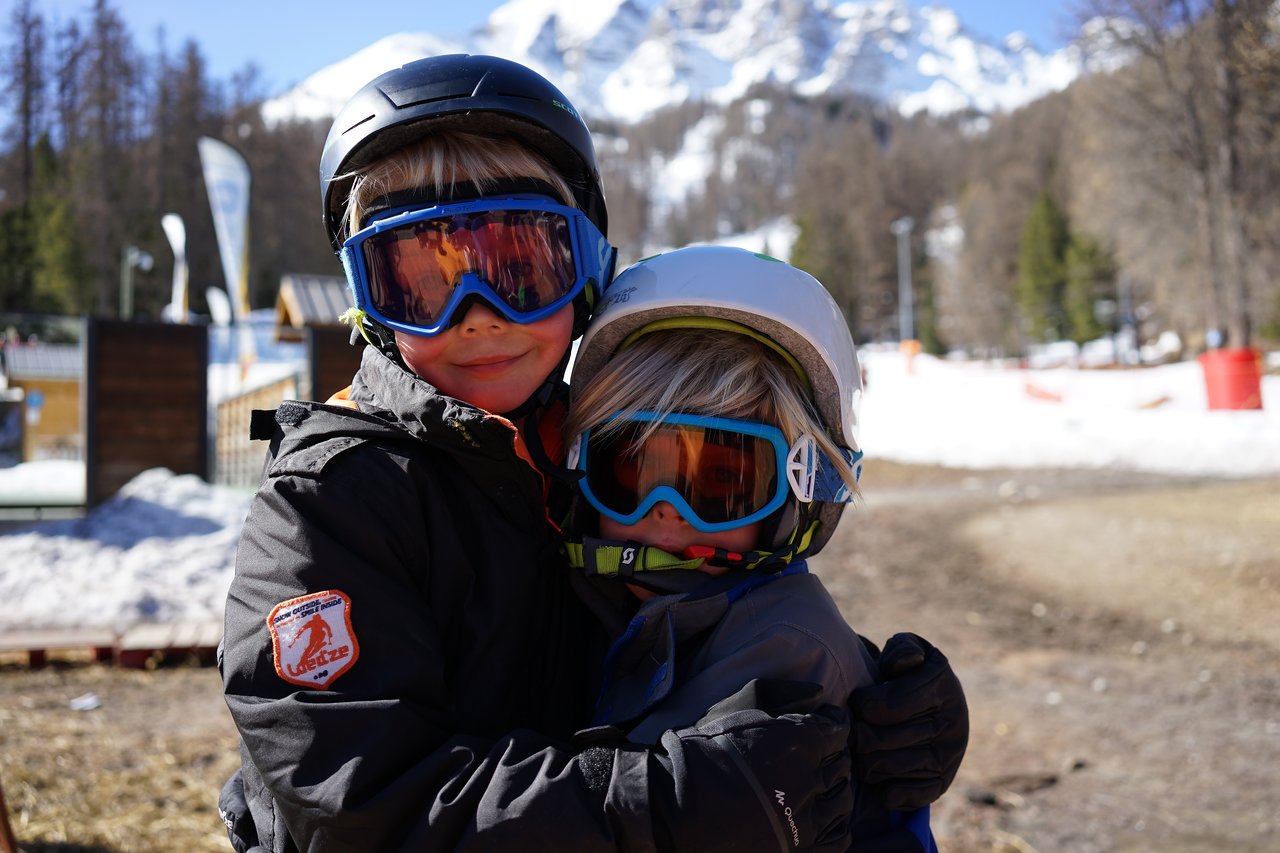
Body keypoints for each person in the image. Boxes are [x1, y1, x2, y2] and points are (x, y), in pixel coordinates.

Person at [218, 54, 966, 851]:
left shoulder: (581, 447)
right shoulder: (328, 505)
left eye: (520, 269)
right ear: (369, 305)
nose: (478, 314)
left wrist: (868, 714)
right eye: (423, 281)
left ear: (582, 270)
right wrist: (668, 809)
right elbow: (362, 805)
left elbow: (674, 618)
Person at [562, 246, 940, 851]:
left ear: (800, 492)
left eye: (722, 481)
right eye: (631, 469)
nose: (665, 510)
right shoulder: (599, 599)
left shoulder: (783, 656)